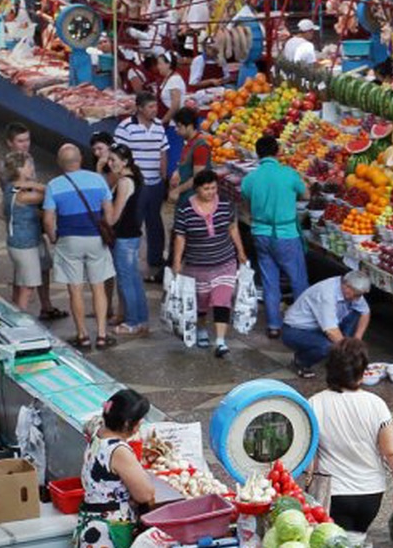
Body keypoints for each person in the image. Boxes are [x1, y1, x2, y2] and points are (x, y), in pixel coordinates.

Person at [72, 388, 155, 548]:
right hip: (105, 537)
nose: (141, 426)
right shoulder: (118, 450)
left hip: (89, 529)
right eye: (139, 421)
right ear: (129, 424)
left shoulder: (97, 434)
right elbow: (145, 494)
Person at [310, 339, 393, 535]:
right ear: (362, 372)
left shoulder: (314, 404)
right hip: (370, 494)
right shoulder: (376, 405)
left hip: (334, 494)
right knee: (356, 541)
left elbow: (309, 459)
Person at [44, 143, 117, 349]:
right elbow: (109, 214)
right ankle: (102, 335)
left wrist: (54, 238)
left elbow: (49, 220)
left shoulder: (54, 185)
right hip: (95, 239)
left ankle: (83, 336)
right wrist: (106, 230)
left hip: (69, 240)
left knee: (75, 290)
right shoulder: (97, 180)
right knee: (98, 286)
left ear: (60, 163)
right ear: (81, 159)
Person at [171, 169, 247, 356]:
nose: (211, 192)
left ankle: (220, 341)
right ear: (197, 189)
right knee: (202, 302)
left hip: (225, 262)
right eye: (206, 189)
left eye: (213, 188)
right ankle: (202, 328)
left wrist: (241, 252)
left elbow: (232, 228)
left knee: (222, 300)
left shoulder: (225, 204)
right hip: (197, 266)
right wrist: (177, 261)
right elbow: (180, 237)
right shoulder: (185, 209)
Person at [242, 135, 309, 338]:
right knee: (298, 280)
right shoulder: (288, 174)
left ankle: (273, 325)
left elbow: (246, 201)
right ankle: (301, 323)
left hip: (260, 234)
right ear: (277, 151)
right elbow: (306, 195)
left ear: (257, 154)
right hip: (285, 234)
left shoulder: (250, 178)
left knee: (270, 281)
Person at [115, 92, 171, 279]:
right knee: (134, 220)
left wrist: (164, 177)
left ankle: (155, 257)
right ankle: (130, 257)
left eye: (155, 107)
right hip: (137, 184)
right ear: (139, 108)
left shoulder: (158, 127)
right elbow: (119, 155)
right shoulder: (126, 127)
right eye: (150, 107)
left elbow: (163, 152)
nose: (154, 110)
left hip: (155, 183)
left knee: (155, 221)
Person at [282, 271, 373, 376]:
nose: (358, 298)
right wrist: (350, 351)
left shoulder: (352, 290)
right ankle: (301, 361)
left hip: (321, 327)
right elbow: (331, 331)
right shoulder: (326, 294)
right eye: (356, 295)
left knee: (356, 314)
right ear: (346, 286)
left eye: (360, 295)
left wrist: (358, 338)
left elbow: (365, 312)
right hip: (295, 330)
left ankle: (342, 352)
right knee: (326, 346)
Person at [108, 144, 150, 337]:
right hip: (132, 236)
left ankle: (132, 322)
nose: (110, 164)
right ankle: (141, 320)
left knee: (126, 280)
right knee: (134, 279)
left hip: (124, 237)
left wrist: (104, 221)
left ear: (124, 162)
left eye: (113, 160)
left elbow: (115, 215)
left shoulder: (125, 182)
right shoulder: (135, 178)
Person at [1, 150, 48, 316]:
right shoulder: (23, 194)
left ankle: (16, 314)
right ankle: (20, 320)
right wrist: (35, 185)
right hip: (25, 244)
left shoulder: (11, 188)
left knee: (21, 283)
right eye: (29, 166)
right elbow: (50, 192)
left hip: (17, 241)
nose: (32, 169)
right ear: (20, 169)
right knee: (28, 287)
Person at [167, 106, 214, 208]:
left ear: (189, 126)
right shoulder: (189, 142)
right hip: (185, 198)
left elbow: (197, 178)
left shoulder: (200, 146)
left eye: (179, 126)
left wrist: (177, 190)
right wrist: (176, 173)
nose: (176, 130)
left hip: (193, 200)